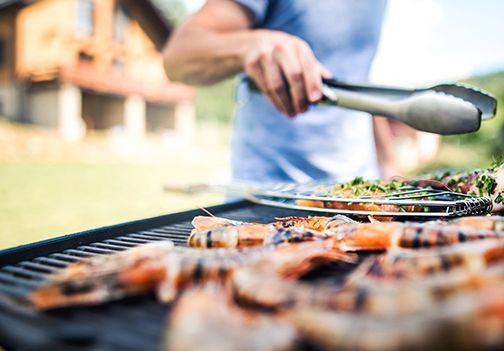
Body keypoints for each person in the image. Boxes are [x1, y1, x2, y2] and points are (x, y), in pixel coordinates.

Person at [163, 0, 396, 183]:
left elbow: (355, 77)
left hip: (356, 192)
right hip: (268, 197)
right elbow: (178, 56)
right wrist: (250, 45)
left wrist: (389, 166)